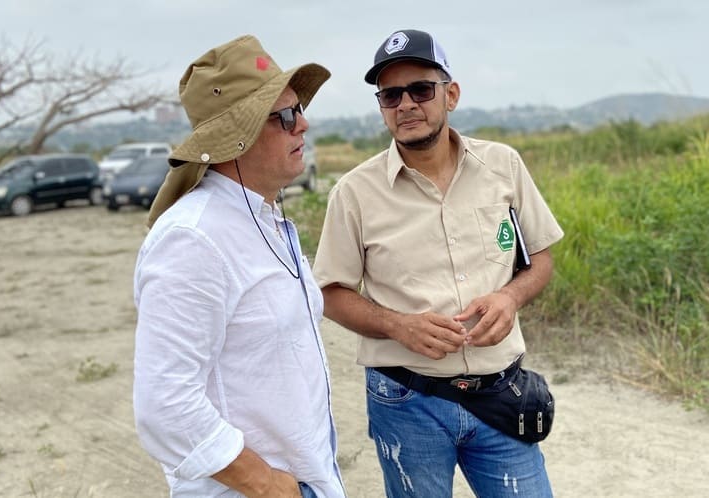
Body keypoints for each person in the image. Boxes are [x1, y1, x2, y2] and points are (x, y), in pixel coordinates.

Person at [313, 29, 564, 498]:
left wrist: (509, 297)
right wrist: (397, 325)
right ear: (382, 107)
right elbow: (329, 293)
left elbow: (541, 259)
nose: (405, 104)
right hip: (407, 400)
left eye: (420, 90)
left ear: (451, 94)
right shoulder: (354, 193)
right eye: (390, 95)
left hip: (501, 393)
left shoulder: (503, 166)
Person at [133, 35, 345, 498]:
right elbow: (164, 403)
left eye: (300, 109)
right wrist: (267, 484)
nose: (303, 124)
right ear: (236, 135)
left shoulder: (261, 216)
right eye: (286, 115)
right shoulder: (194, 239)